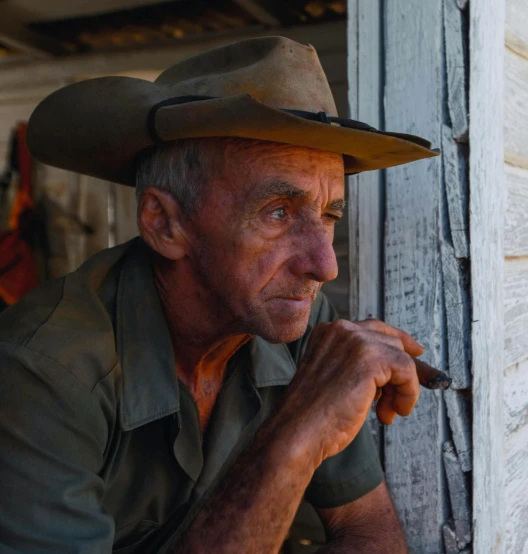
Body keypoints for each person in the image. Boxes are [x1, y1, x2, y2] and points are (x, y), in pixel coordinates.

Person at [0, 36, 446, 553]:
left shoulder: (294, 318)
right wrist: (298, 433)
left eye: (328, 216)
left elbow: (369, 531)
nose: (324, 264)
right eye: (278, 212)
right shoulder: (42, 373)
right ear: (164, 223)